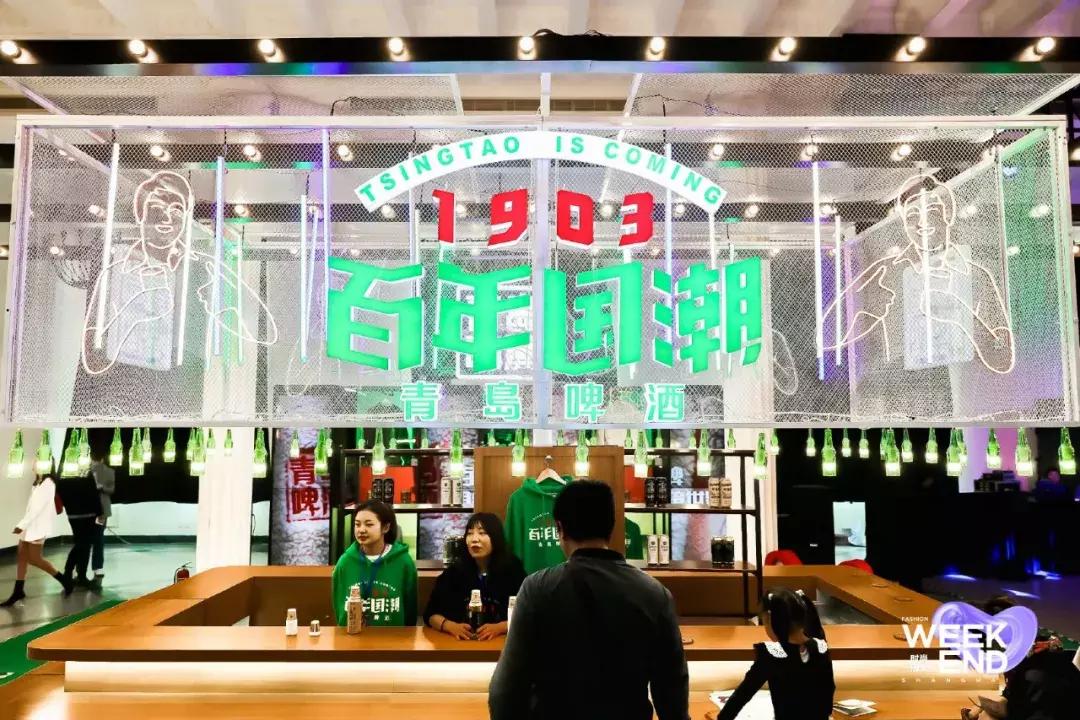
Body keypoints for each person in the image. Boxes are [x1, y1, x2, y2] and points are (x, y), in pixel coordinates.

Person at [488, 480, 689, 720]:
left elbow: (506, 690)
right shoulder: (654, 593)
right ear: (611, 527)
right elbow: (672, 690)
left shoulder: (537, 589)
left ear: (560, 528)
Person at [715, 587, 834, 720]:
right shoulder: (821, 647)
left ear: (770, 620)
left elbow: (743, 694)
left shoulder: (772, 654)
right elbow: (829, 694)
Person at [425, 512, 525, 641]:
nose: (474, 539)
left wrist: (502, 627)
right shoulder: (454, 572)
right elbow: (430, 614)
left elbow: (528, 613)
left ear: (496, 538)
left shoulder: (513, 570)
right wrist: (449, 626)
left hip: (502, 644)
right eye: (470, 533)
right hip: (460, 644)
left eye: (482, 533)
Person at [330, 500, 417, 627]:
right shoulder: (345, 562)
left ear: (386, 527)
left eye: (369, 524)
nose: (361, 530)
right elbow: (339, 605)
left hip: (394, 637)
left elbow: (410, 608)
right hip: (354, 636)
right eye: (357, 524)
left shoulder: (403, 562)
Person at [2, 474, 74, 606]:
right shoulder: (38, 481)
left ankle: (64, 580)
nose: (33, 465)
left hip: (38, 527)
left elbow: (37, 508)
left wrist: (21, 525)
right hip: (29, 525)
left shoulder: (48, 483)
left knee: (35, 559)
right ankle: (18, 591)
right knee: (22, 556)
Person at [55, 470, 103, 589]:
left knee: (81, 544)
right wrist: (100, 512)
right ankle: (73, 574)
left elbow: (60, 487)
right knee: (84, 544)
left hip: (73, 514)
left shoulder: (66, 474)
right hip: (88, 514)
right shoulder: (89, 474)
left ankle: (77, 574)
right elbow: (95, 493)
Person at [89, 450, 115, 590]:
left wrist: (101, 487)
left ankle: (96, 567)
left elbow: (111, 489)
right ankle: (83, 569)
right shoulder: (86, 471)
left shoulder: (108, 472)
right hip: (90, 510)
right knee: (89, 539)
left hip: (100, 510)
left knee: (97, 539)